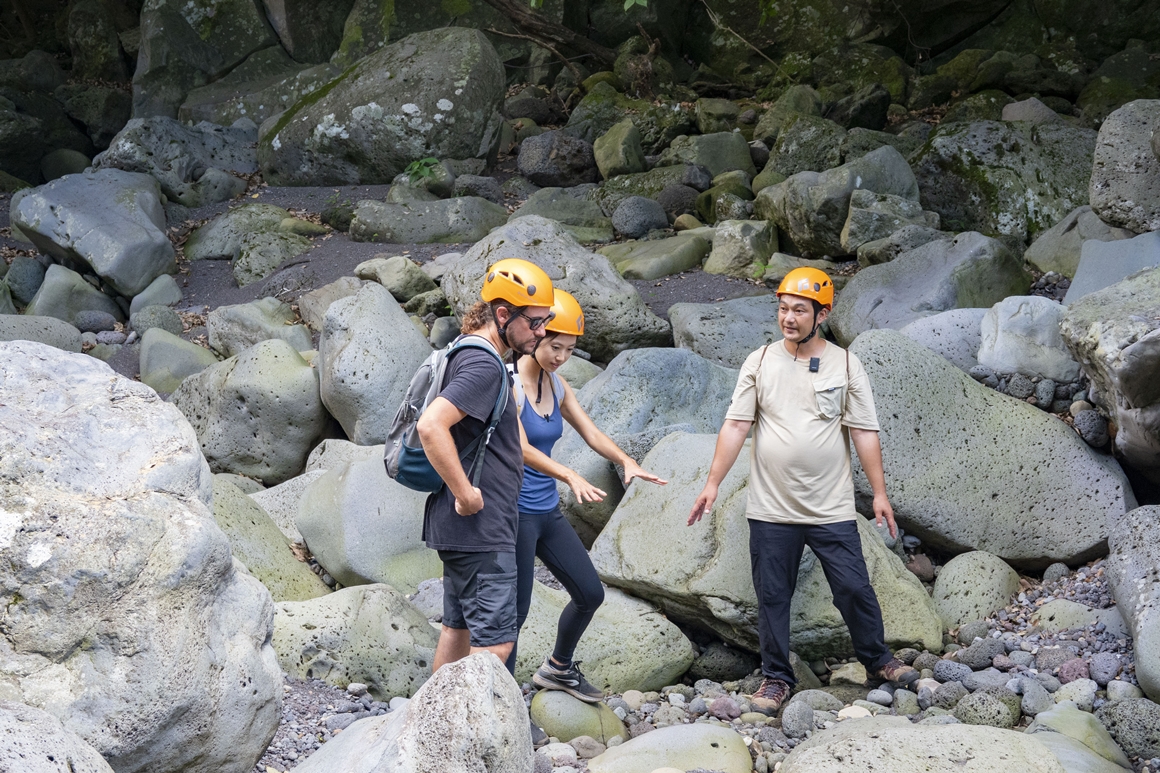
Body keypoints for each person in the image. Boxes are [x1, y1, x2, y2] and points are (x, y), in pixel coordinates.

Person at [686, 267, 917, 714]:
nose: (788, 318)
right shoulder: (760, 361)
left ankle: (878, 660)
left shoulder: (846, 364)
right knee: (772, 595)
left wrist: (880, 493)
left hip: (830, 506)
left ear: (822, 313)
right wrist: (712, 483)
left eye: (799, 310)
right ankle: (776, 678)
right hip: (771, 507)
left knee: (853, 587)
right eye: (783, 308)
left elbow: (865, 432)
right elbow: (736, 424)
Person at [506, 289, 668, 702]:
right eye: (554, 346)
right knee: (514, 616)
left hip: (546, 512)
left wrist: (627, 461)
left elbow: (591, 433)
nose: (561, 356)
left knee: (589, 593)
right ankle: (503, 707)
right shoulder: (510, 384)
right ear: (536, 334)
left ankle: (558, 669)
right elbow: (520, 447)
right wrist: (569, 474)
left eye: (570, 349)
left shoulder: (557, 386)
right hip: (516, 513)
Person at [417, 258, 555, 676]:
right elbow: (430, 426)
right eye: (535, 323)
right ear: (502, 314)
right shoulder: (483, 364)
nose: (543, 332)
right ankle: (465, 737)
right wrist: (467, 494)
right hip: (478, 527)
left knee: (456, 631)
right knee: (494, 647)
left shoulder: (468, 351)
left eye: (546, 321)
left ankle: (430, 730)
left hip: (464, 531)